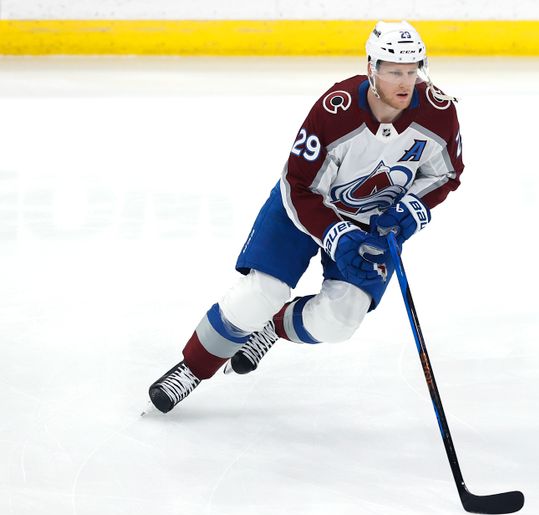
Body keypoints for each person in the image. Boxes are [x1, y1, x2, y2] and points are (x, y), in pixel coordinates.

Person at [148, 20, 464, 413]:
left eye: (411, 69)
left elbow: (446, 174)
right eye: (393, 70)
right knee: (258, 294)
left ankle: (273, 327)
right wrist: (335, 233)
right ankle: (192, 370)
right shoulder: (336, 109)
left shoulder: (439, 112)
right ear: (372, 68)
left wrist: (409, 212)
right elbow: (299, 185)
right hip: (303, 208)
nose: (404, 81)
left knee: (340, 320)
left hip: (370, 223)